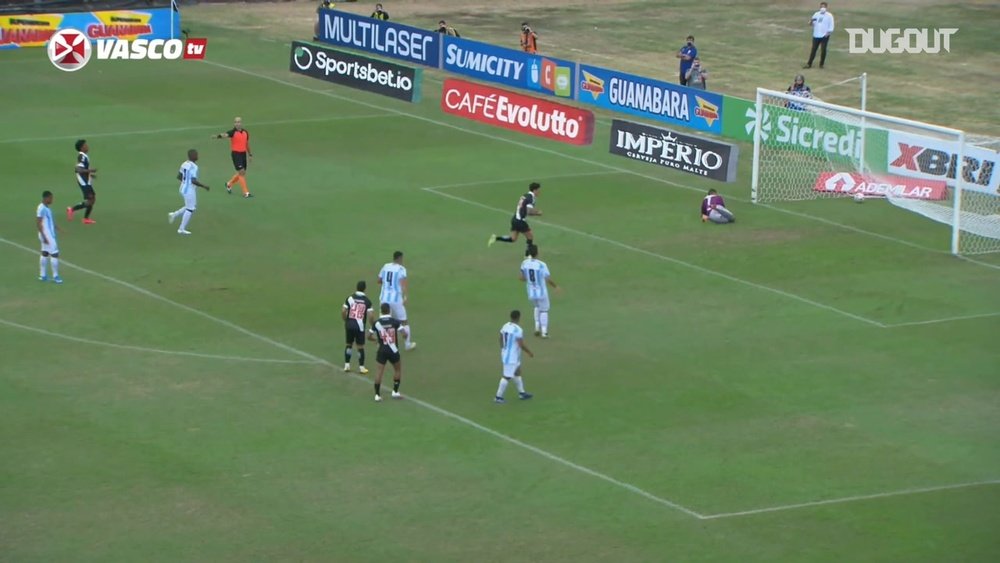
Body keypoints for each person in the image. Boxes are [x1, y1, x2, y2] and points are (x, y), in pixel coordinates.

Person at [368, 303, 409, 402]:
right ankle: (395, 392)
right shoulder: (395, 322)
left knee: (379, 372)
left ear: (381, 311)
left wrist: (376, 340)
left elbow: (368, 336)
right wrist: (404, 337)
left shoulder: (377, 323)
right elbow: (404, 334)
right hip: (393, 350)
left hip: (382, 350)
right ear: (389, 310)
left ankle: (377, 395)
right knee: (397, 370)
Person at [377, 251, 416, 351]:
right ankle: (407, 344)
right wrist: (405, 296)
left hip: (384, 299)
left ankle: (381, 344)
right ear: (400, 258)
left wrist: (386, 287)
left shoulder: (385, 266)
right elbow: (403, 284)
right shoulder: (401, 269)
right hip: (396, 300)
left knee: (383, 322)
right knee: (404, 321)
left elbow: (379, 281)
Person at [495, 310, 533, 404]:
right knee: (507, 376)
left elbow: (500, 337)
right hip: (511, 356)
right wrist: (529, 352)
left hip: (509, 354)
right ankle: (498, 397)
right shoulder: (518, 329)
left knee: (517, 372)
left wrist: (503, 348)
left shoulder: (505, 325)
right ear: (519, 317)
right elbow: (520, 344)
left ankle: (522, 393)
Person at [168, 149, 210, 235]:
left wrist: (185, 182)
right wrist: (204, 186)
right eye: (196, 154)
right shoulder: (194, 167)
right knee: (190, 209)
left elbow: (179, 176)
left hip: (183, 188)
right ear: (193, 156)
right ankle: (181, 229)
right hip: (189, 190)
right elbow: (193, 180)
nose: (198, 156)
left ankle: (173, 215)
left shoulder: (184, 163)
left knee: (190, 206)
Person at [520, 244, 559, 338]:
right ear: (537, 253)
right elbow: (548, 279)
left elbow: (521, 277)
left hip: (531, 291)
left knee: (536, 306)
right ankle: (544, 332)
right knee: (544, 310)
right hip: (541, 292)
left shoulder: (524, 263)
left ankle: (537, 327)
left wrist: (529, 279)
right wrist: (555, 287)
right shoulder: (541, 265)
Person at [489, 182, 542, 248]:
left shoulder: (525, 195)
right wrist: (537, 213)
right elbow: (529, 211)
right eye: (539, 190)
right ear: (535, 190)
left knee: (513, 238)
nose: (539, 192)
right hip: (520, 221)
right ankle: (528, 255)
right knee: (530, 237)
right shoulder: (531, 198)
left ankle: (495, 238)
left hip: (515, 219)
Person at [213, 116, 253, 198]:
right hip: (236, 154)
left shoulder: (245, 132)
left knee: (242, 172)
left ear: (241, 123)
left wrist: (250, 154)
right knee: (241, 172)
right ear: (234, 124)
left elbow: (246, 144)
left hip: (243, 154)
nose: (238, 123)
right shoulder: (232, 132)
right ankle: (246, 193)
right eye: (236, 122)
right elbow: (225, 135)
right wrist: (218, 136)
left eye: (239, 122)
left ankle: (229, 184)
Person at [343, 280, 374, 374]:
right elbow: (371, 315)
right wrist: (372, 325)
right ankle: (361, 367)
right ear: (364, 289)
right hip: (359, 326)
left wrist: (346, 320)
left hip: (349, 325)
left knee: (349, 344)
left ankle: (347, 365)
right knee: (360, 346)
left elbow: (344, 311)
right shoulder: (367, 301)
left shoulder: (350, 298)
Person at [67, 139, 97, 224]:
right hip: (84, 182)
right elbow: (78, 169)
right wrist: (90, 170)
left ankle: (85, 218)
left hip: (86, 181)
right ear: (81, 147)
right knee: (91, 200)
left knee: (92, 199)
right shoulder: (82, 156)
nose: (87, 146)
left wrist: (90, 174)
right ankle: (72, 210)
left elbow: (83, 169)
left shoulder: (84, 156)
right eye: (85, 145)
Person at [37, 191, 62, 284]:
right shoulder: (41, 208)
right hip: (47, 235)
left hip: (47, 234)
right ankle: (56, 276)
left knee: (44, 253)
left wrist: (57, 228)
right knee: (55, 254)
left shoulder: (46, 208)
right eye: (50, 198)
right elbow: (38, 223)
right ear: (46, 198)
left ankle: (42, 275)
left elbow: (49, 221)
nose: (52, 200)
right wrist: (44, 237)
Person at [804, 2, 835, 69]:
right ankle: (809, 64)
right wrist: (811, 22)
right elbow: (811, 23)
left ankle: (821, 64)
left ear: (826, 7)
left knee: (823, 50)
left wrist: (828, 33)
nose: (822, 8)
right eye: (821, 7)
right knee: (813, 50)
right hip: (816, 35)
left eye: (823, 7)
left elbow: (831, 25)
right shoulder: (816, 14)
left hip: (824, 35)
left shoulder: (829, 16)